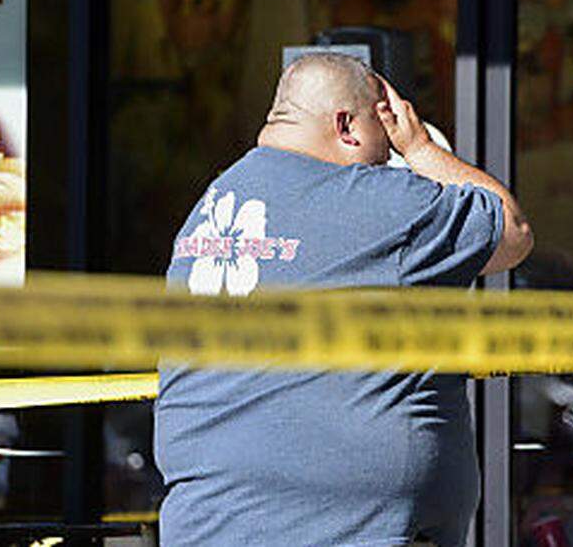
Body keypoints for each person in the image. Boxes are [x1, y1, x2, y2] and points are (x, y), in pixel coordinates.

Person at [157, 52, 533, 546]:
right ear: (347, 126)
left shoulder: (209, 209)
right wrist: (418, 146)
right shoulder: (378, 200)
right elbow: (513, 233)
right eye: (383, 146)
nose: (386, 161)